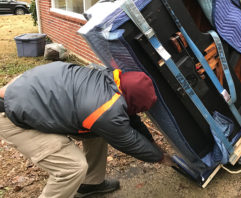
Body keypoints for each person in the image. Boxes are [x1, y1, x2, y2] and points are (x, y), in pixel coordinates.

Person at [0, 61, 173, 198]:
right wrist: (160, 157)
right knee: (72, 167)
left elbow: (131, 120)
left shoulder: (109, 81)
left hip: (33, 97)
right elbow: (129, 142)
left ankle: (92, 183)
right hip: (12, 117)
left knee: (97, 132)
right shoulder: (106, 109)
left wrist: (150, 140)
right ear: (132, 101)